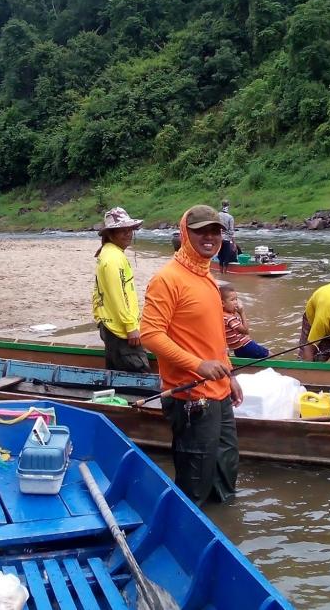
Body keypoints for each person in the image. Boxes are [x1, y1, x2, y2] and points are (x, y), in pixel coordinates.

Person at [141, 205, 243, 506]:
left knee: (226, 469)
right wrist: (198, 365)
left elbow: (213, 336)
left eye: (215, 231)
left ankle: (225, 531)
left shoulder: (207, 277)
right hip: (191, 399)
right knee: (194, 484)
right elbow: (150, 334)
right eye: (201, 231)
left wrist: (230, 373)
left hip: (220, 392)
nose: (209, 237)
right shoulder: (167, 279)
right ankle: (187, 537)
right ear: (186, 233)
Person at [92, 207, 151, 373]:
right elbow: (118, 295)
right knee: (139, 372)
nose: (128, 234)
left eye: (129, 230)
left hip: (112, 325)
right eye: (121, 231)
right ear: (110, 234)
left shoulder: (110, 253)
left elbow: (99, 292)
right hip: (120, 329)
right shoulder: (112, 259)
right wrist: (131, 326)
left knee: (116, 372)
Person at [220, 284, 270, 359]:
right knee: (270, 355)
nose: (236, 302)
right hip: (246, 346)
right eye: (232, 300)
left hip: (238, 350)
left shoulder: (223, 316)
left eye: (236, 299)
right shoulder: (229, 318)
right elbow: (245, 331)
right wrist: (242, 313)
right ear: (223, 303)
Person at [217, 199, 237, 273]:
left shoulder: (217, 215)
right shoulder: (230, 217)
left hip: (219, 239)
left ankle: (220, 273)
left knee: (220, 256)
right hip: (226, 240)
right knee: (226, 257)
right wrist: (234, 243)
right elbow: (232, 231)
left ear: (222, 205)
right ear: (228, 206)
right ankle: (225, 274)